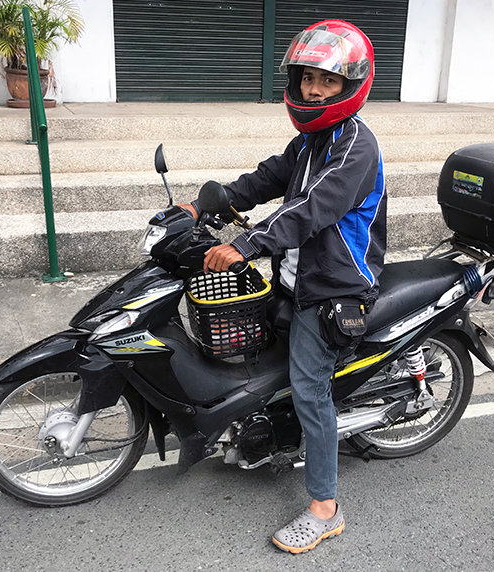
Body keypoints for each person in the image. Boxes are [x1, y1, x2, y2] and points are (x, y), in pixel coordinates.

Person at [182, 20, 386, 554]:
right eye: (307, 79)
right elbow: (267, 179)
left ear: (352, 85)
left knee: (310, 391)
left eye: (328, 81)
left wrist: (248, 245)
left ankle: (325, 508)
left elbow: (312, 208)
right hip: (296, 277)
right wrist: (206, 204)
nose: (315, 90)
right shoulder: (311, 140)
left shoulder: (355, 146)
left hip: (334, 287)